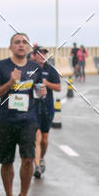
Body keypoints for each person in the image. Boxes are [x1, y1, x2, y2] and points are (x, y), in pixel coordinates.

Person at [0, 32, 46, 196]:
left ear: (28, 47)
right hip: (6, 120)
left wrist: (42, 91)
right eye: (17, 42)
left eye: (24, 42)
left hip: (28, 121)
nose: (21, 45)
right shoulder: (2, 66)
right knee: (7, 161)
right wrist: (11, 82)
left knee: (28, 159)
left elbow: (37, 90)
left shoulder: (35, 67)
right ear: (11, 47)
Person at [30, 45, 61, 179]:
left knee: (45, 140)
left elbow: (59, 87)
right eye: (39, 53)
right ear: (35, 55)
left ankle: (41, 158)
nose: (41, 56)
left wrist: (46, 84)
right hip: (34, 108)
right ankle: (37, 166)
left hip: (47, 108)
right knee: (37, 138)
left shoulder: (51, 70)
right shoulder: (30, 69)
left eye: (44, 53)